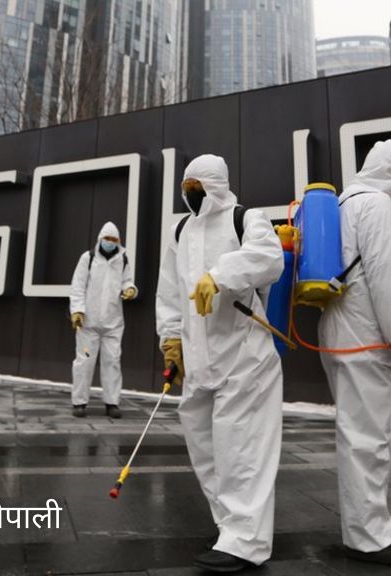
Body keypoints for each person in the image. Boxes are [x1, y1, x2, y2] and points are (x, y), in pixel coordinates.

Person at [156, 154, 285, 573]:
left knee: (241, 451)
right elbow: (169, 291)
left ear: (216, 185)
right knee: (206, 451)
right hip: (198, 360)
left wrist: (220, 275)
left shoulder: (246, 219)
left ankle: (246, 542)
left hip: (245, 358)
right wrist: (171, 339)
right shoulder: (179, 230)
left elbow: (270, 259)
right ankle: (230, 528)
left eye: (198, 186)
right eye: (186, 186)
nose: (190, 193)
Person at [318, 139, 391, 567]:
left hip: (337, 335)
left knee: (357, 435)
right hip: (366, 339)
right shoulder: (378, 206)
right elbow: (390, 280)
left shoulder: (340, 205)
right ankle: (368, 537)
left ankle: (368, 520)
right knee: (368, 440)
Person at [69, 222, 137, 419]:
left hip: (113, 323)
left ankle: (112, 403)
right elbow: (78, 286)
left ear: (119, 241)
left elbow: (127, 280)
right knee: (84, 362)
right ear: (100, 239)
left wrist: (130, 289)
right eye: (107, 238)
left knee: (112, 362)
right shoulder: (88, 258)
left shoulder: (122, 259)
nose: (110, 242)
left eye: (114, 239)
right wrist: (77, 311)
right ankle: (79, 402)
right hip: (88, 323)